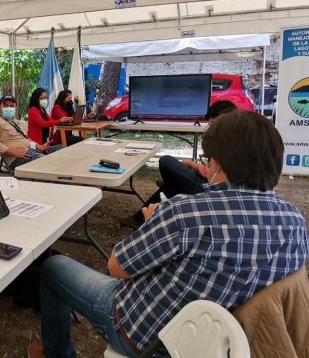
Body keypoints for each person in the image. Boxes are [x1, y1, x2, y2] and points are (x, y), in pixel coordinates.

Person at [28, 110, 308, 358]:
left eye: (208, 159)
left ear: (219, 164)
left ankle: (57, 353)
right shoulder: (296, 223)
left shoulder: (187, 212)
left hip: (145, 336)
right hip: (224, 345)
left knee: (53, 266)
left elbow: (116, 267)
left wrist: (152, 223)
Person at [121, 100, 238, 229]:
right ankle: (141, 217)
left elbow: (216, 175)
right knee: (172, 182)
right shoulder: (234, 138)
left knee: (166, 161)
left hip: (208, 187)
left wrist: (194, 166)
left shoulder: (230, 143)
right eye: (210, 125)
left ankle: (144, 215)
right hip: (209, 181)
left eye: (215, 125)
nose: (211, 129)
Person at [0, 95, 57, 171]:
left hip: (29, 151)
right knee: (48, 162)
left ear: (15, 108)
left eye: (11, 106)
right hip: (15, 158)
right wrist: (14, 153)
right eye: (5, 105)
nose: (9, 108)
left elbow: (23, 139)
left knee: (59, 150)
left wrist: (38, 146)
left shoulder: (13, 121)